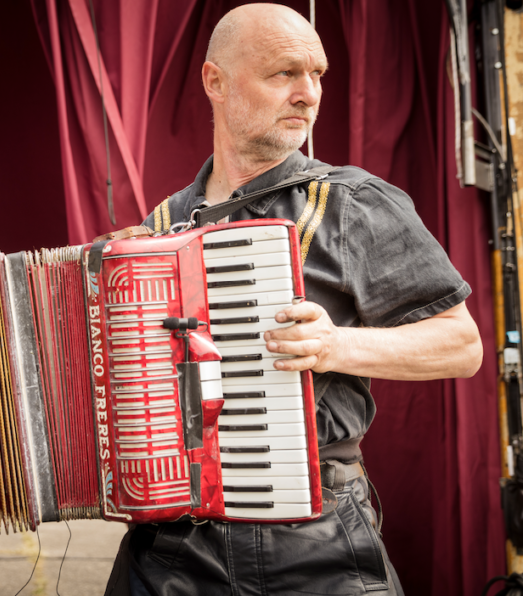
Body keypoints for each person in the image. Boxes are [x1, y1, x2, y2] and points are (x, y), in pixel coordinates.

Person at [104, 5, 482, 596]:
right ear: (215, 82)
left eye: (318, 75)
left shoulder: (356, 203)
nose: (309, 94)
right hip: (172, 545)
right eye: (284, 73)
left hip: (318, 534)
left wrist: (336, 344)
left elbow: (462, 344)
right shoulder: (162, 227)